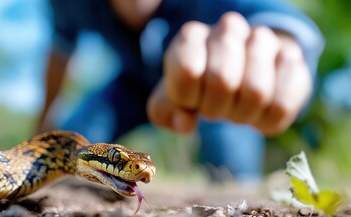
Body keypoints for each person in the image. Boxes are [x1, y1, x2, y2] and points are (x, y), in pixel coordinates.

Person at [38, 0, 324, 184]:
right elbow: (60, 53)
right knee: (67, 140)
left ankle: (240, 184)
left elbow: (269, 14)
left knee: (231, 154)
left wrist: (280, 45)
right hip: (131, 87)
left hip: (206, 88)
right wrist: (43, 124)